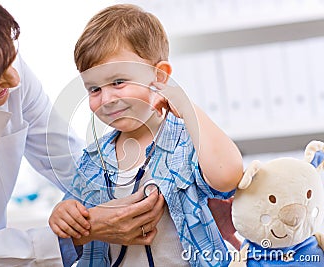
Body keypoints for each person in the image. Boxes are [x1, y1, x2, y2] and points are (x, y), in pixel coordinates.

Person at [0, 0, 166, 266]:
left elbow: (70, 162)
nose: (14, 79)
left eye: (9, 55)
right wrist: (77, 232)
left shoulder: (5, 71)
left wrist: (118, 193)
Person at [49, 4, 244, 267]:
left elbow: (227, 175)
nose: (106, 99)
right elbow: (74, 212)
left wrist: (187, 108)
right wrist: (63, 214)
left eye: (118, 82)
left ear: (160, 76)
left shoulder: (187, 141)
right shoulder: (94, 159)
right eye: (94, 89)